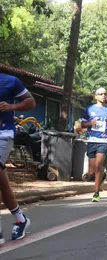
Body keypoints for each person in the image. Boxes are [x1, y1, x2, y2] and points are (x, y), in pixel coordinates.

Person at [0, 73, 36, 242]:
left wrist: (11, 107)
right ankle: (21, 219)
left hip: (3, 134)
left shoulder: (9, 81)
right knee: (3, 182)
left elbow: (31, 102)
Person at [81, 87, 107, 202]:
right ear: (96, 96)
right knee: (92, 172)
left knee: (97, 166)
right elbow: (81, 124)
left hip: (104, 141)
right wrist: (90, 123)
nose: (103, 95)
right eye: (100, 94)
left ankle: (96, 193)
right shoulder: (89, 109)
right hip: (92, 140)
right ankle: (103, 176)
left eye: (105, 94)